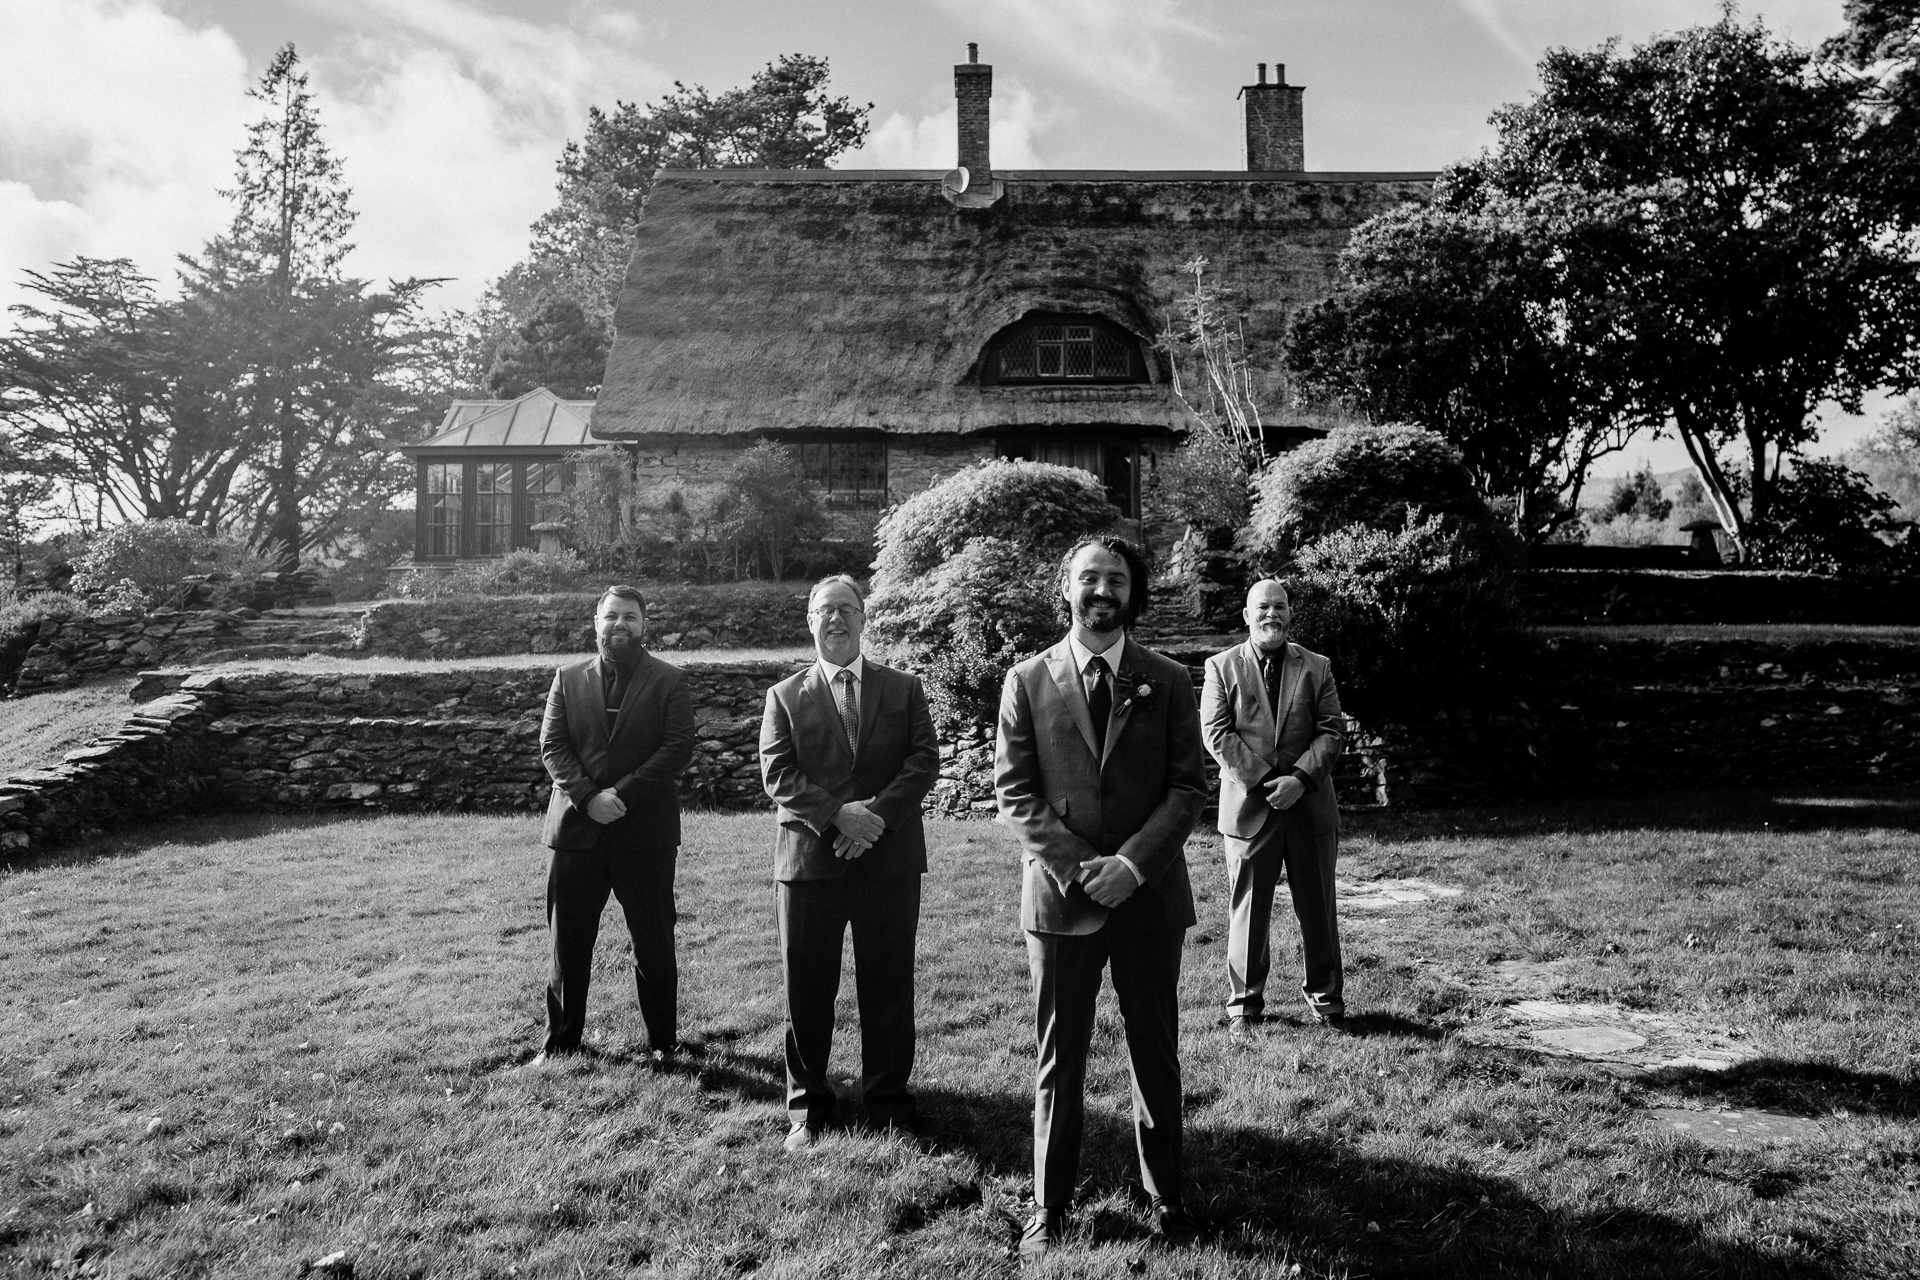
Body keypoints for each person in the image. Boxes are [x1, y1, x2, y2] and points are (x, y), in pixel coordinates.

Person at [994, 535, 1208, 1260]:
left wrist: (1134, 866)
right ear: (1068, 588)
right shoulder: (1026, 679)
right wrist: (1088, 867)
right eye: (1090, 577)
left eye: (1116, 579)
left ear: (1131, 592)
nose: (1102, 590)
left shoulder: (1171, 679)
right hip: (1061, 899)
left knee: (1156, 1049)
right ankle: (1049, 1205)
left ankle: (1167, 1197)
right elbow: (1015, 794)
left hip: (1149, 899)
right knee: (1061, 1056)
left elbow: (1187, 789)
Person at [759, 574, 940, 1152]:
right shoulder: (785, 696)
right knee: (806, 988)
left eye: (846, 609)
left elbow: (923, 760)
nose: (835, 619)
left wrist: (875, 819)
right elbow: (779, 773)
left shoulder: (904, 688)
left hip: (887, 860)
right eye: (823, 611)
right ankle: (807, 1109)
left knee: (888, 984)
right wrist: (839, 816)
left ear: (864, 619)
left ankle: (888, 1102)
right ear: (809, 622)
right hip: (811, 862)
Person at [536, 584, 696, 1063]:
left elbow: (677, 748)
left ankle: (663, 1043)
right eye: (611, 616)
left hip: (644, 831)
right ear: (597, 622)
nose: (619, 624)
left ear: (644, 625)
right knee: (568, 943)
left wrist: (618, 796)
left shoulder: (669, 680)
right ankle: (561, 1043)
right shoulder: (567, 678)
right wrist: (588, 798)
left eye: (629, 617)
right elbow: (553, 747)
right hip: (576, 832)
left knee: (653, 939)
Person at [1199, 578, 1347, 1036]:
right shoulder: (1220, 667)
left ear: (1290, 612)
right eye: (1262, 607)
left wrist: (1300, 780)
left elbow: (1332, 730)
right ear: (1246, 615)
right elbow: (1216, 733)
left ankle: (1327, 1002)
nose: (1272, 615)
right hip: (1250, 810)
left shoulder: (1316, 666)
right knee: (1247, 909)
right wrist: (1268, 783)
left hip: (1309, 807)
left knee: (1318, 908)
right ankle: (1244, 1005)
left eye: (1279, 606)